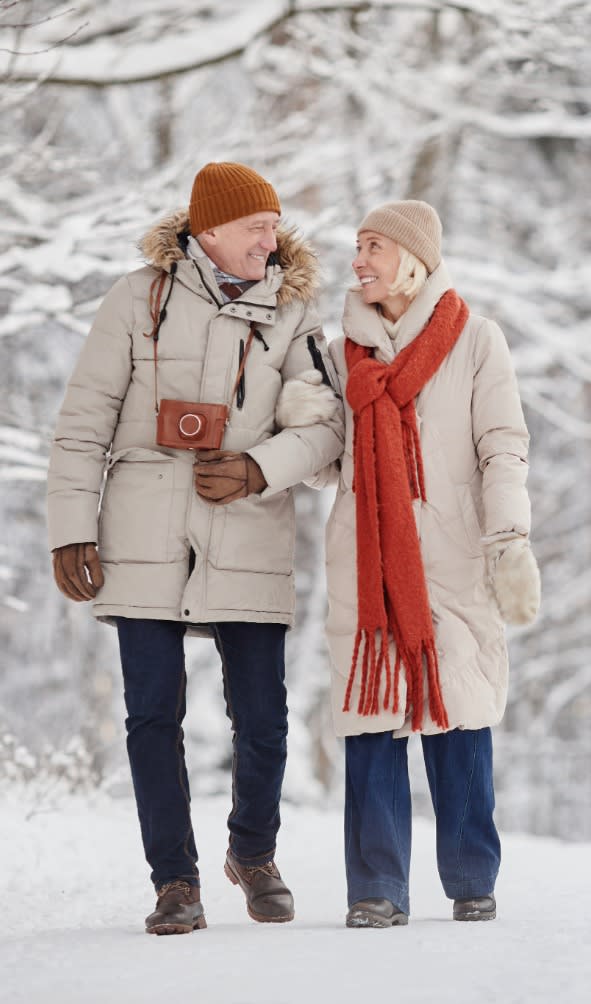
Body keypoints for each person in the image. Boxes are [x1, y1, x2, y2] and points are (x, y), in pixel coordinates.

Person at [47, 162, 344, 935]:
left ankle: (252, 853)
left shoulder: (294, 309)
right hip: (142, 531)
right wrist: (71, 528)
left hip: (248, 527)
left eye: (274, 226)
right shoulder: (134, 300)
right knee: (151, 716)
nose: (268, 240)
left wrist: (256, 468)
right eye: (254, 227)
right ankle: (174, 881)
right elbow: (82, 423)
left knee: (264, 716)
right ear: (206, 231)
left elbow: (322, 427)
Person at [276, 199, 540, 927]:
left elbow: (501, 444)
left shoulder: (475, 340)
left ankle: (469, 878)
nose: (357, 260)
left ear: (412, 259)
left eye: (372, 247)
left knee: (458, 711)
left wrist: (508, 538)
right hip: (365, 559)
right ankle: (376, 890)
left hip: (453, 554)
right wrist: (295, 406)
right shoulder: (337, 357)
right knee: (370, 717)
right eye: (357, 247)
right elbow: (322, 460)